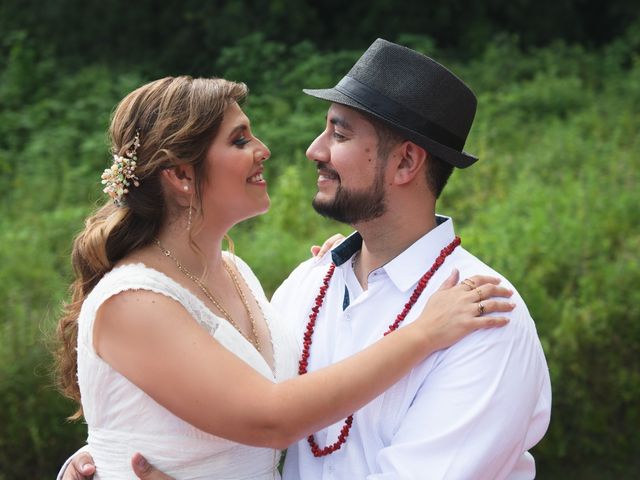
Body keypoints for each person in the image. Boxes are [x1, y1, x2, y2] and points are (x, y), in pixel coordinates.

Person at [54, 73, 515, 479]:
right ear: (179, 175)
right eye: (239, 140)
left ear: (406, 163)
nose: (276, 150)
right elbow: (270, 416)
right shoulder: (306, 287)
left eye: (338, 134)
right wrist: (423, 333)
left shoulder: (485, 315)